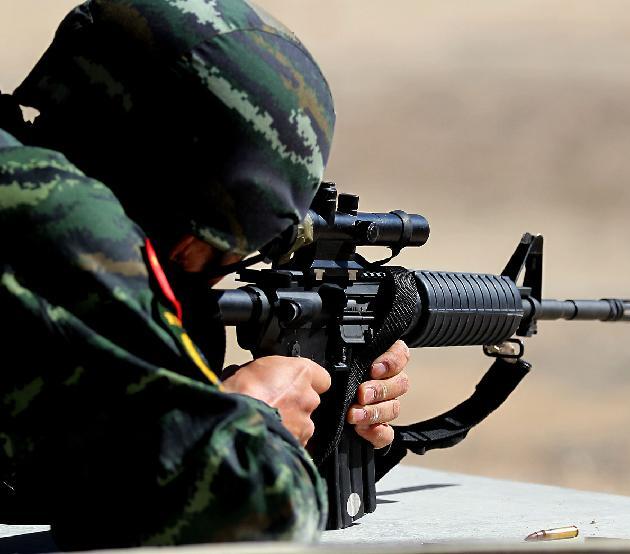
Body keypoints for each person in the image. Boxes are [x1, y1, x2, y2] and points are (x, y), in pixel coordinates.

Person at [0, 0, 410, 549]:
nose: (210, 277)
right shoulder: (52, 211)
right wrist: (255, 419)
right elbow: (250, 506)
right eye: (213, 250)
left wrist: (185, 399)